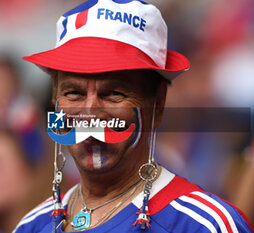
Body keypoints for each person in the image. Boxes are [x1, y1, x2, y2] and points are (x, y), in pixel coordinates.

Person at [13, 0, 253, 232]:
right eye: (73, 93)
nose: (89, 112)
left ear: (157, 105)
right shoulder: (30, 226)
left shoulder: (204, 226)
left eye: (113, 94)